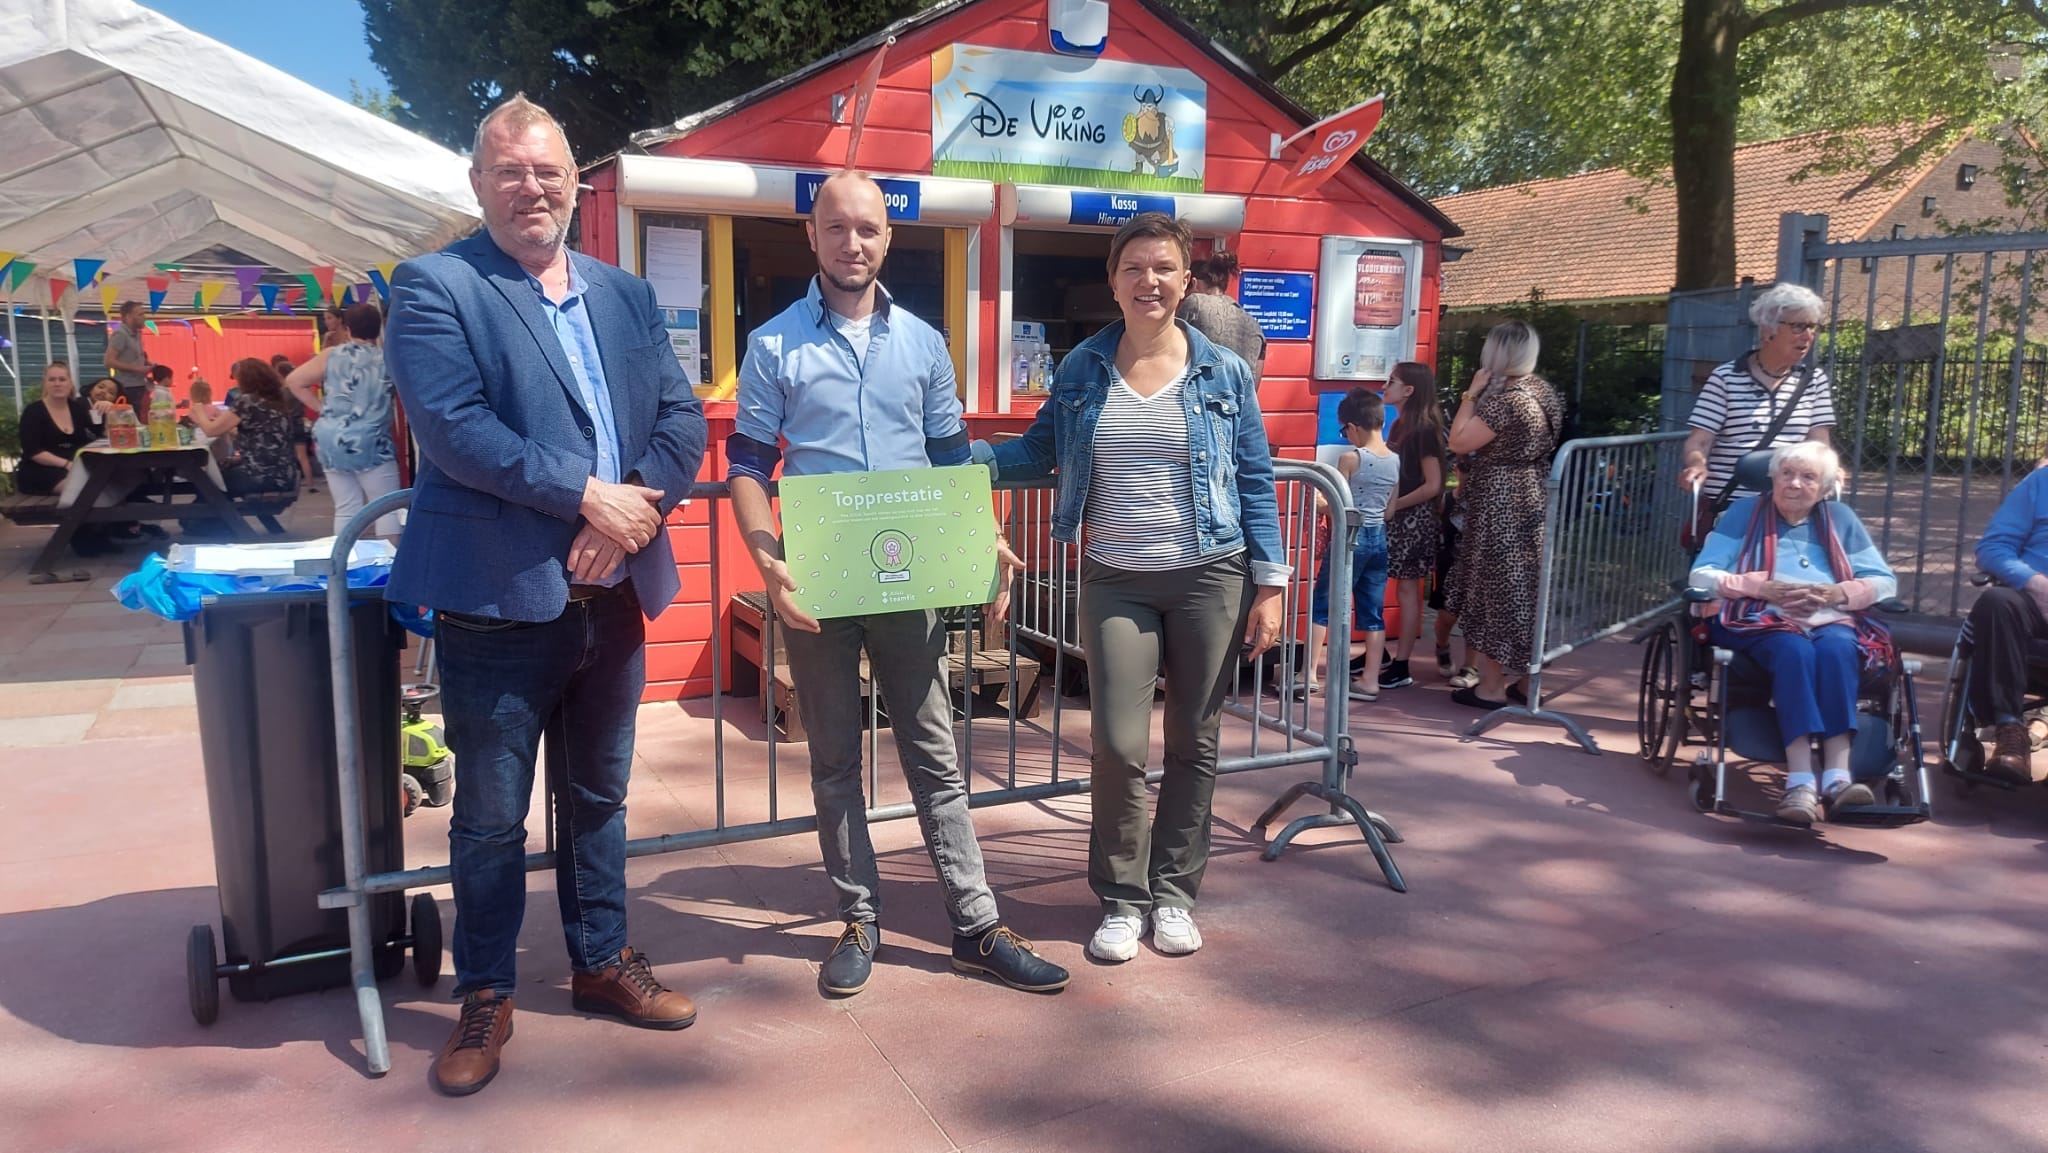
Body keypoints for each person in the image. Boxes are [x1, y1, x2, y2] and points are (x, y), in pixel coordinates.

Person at [383, 93, 708, 1097]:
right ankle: (485, 991)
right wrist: (586, 500)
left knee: (599, 797)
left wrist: (627, 525)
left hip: (610, 596)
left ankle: (600, 957)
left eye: (549, 170)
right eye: (511, 170)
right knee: (487, 818)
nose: (533, 186)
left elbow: (680, 419)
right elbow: (453, 428)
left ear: (577, 181)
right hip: (496, 598)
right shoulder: (435, 286)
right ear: (478, 183)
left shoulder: (624, 294)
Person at [728, 171, 1068, 999]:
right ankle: (859, 916)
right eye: (837, 228)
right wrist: (765, 560)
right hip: (818, 581)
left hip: (910, 578)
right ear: (813, 235)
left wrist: (987, 539)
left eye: (869, 229)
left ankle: (975, 926)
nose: (854, 243)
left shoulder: (925, 342)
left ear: (890, 238)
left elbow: (952, 461)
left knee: (934, 751)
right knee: (834, 758)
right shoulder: (773, 343)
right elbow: (746, 463)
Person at [977, 211, 1288, 964]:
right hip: (1115, 574)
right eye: (1133, 268)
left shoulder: (1225, 371)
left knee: (1194, 741)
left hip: (1208, 574)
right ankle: (1122, 896)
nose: (1148, 281)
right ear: (1113, 282)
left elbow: (1253, 478)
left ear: (1186, 281)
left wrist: (1270, 581)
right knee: (1117, 744)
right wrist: (950, 454)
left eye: (1163, 268)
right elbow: (1035, 452)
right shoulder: (1083, 367)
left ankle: (1174, 893)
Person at [1690, 442, 1896, 825]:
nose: (1795, 484)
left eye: (1808, 477)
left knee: (1838, 648)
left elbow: (1884, 581)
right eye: (1786, 474)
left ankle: (1837, 777)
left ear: (1824, 486)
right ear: (1772, 477)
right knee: (1793, 650)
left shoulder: (1840, 518)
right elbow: (1701, 574)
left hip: (1828, 617)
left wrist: (1839, 593)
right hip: (1754, 615)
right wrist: (1759, 588)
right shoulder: (1744, 512)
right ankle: (1800, 781)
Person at [1445, 320, 1565, 709]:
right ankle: (1529, 682)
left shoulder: (1507, 401)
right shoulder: (1544, 392)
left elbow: (1459, 440)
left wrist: (1471, 393)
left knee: (1495, 588)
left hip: (1500, 500)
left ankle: (1492, 685)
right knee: (1524, 591)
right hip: (1532, 494)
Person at [1677, 282, 1835, 503]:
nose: (1808, 336)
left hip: (1791, 505)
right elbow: (1700, 440)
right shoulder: (1726, 377)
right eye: (1798, 326)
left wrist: (1830, 468)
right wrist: (1696, 464)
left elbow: (1819, 443)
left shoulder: (1814, 380)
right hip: (1732, 505)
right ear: (1767, 330)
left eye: (1812, 327)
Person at [1306, 388, 1398, 701]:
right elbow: (1390, 510)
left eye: (1345, 430)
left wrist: (1318, 503)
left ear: (1355, 427)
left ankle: (1309, 675)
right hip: (1378, 538)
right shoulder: (1396, 461)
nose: (1346, 436)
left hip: (1350, 539)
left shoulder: (1350, 459)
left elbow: (1338, 506)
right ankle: (1370, 679)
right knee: (1373, 611)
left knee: (1324, 604)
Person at [1963, 466, 2048, 784]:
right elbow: (1992, 548)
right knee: (1997, 602)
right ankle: (2010, 730)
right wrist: (2035, 583)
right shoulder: (2040, 484)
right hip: (2037, 603)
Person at [287, 302, 403, 537]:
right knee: (386, 509)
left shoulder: (331, 355)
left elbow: (294, 381)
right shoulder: (388, 360)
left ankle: (346, 566)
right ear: (378, 327)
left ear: (347, 328)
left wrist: (323, 409)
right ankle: (390, 566)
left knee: (346, 508)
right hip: (372, 442)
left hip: (331, 440)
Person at [1378, 362, 1447, 691]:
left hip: (1415, 520)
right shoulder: (1400, 426)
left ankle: (1403, 662)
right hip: (1399, 517)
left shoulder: (1424, 430)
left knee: (1408, 591)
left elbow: (1433, 484)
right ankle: (1388, 655)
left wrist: (1397, 505)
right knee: (1394, 586)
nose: (1384, 385)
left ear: (1409, 390)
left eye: (1392, 381)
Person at [186, 360, 301, 496]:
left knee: (206, 482)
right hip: (284, 473)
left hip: (259, 476)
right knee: (215, 478)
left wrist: (199, 411)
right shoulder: (276, 400)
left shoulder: (246, 402)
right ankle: (221, 513)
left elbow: (211, 431)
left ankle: (204, 516)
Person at [1177, 251, 1265, 380]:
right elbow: (1253, 386)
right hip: (1239, 399)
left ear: (1194, 283)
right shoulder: (1254, 324)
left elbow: (1169, 346)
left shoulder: (1195, 302)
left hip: (1198, 398)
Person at [15, 362, 94, 496]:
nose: (57, 384)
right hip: (40, 471)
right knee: (84, 490)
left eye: (62, 379)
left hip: (74, 468)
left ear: (70, 383)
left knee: (103, 482)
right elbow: (33, 451)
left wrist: (108, 408)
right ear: (45, 384)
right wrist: (67, 465)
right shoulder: (33, 411)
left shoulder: (77, 409)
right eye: (52, 379)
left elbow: (99, 430)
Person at [270, 354, 319, 491]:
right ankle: (310, 483)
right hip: (299, 423)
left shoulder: (283, 391)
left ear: (280, 374)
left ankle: (288, 483)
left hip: (287, 425)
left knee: (286, 456)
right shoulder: (299, 388)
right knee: (302, 456)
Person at [103, 301, 152, 420]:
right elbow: (108, 361)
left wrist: (147, 363)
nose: (144, 317)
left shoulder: (137, 333)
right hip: (127, 387)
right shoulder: (120, 335)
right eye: (140, 314)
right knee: (131, 423)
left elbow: (134, 356)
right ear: (128, 317)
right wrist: (136, 368)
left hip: (140, 384)